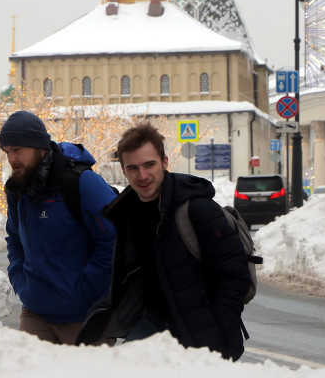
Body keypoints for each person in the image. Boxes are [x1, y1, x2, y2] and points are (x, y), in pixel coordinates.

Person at [76, 122, 253, 360]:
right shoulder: (127, 213)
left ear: (165, 162)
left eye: (150, 165)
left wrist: (218, 335)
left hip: (201, 331)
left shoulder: (198, 209)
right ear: (123, 169)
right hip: (152, 326)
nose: (142, 176)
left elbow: (234, 275)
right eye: (133, 168)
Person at [0, 111, 117, 345]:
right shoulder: (18, 189)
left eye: (17, 150)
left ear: (40, 147)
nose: (11, 159)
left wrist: (86, 292)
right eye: (7, 152)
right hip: (35, 314)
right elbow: (14, 239)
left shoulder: (82, 182)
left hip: (84, 318)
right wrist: (21, 282)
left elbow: (113, 239)